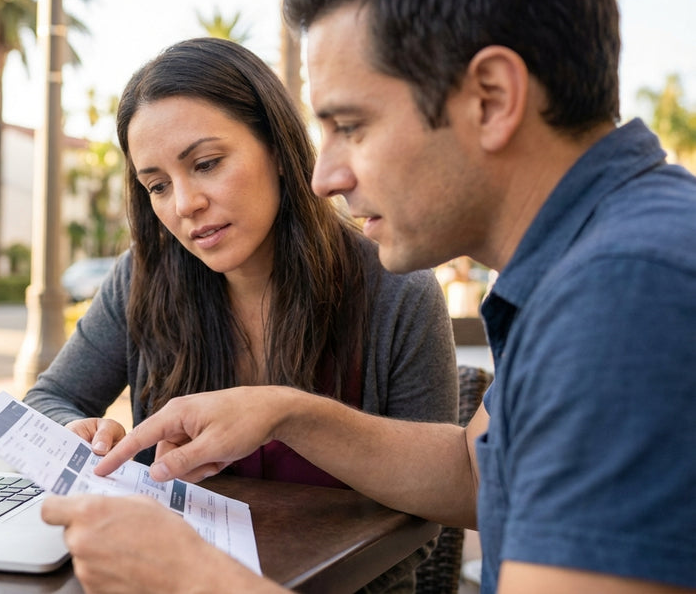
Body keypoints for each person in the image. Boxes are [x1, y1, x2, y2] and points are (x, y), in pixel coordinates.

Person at [41, 0, 696, 594]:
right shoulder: (586, 262)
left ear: (491, 98)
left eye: (350, 126)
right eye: (157, 184)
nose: (323, 175)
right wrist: (287, 412)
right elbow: (474, 472)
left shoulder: (626, 293)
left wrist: (193, 578)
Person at [25, 36, 458, 592]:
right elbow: (48, 399)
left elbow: (429, 513)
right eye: (157, 185)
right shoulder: (144, 276)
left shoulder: (396, 290)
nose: (184, 205)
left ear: (277, 148)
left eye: (206, 164)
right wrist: (75, 433)